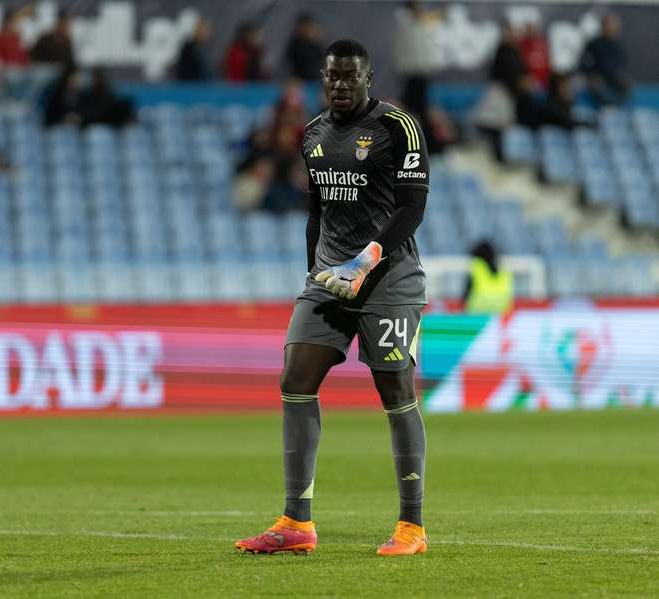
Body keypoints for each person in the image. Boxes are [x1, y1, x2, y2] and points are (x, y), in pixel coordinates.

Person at [235, 39, 430, 557]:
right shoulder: (314, 133)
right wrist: (315, 273)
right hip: (329, 280)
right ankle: (296, 521)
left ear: (369, 78)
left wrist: (365, 260)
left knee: (395, 391)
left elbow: (412, 208)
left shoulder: (398, 127)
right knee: (295, 378)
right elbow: (317, 211)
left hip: (387, 280)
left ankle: (412, 525)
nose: (340, 85)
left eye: (350, 76)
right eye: (332, 77)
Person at [393, 2, 440, 146]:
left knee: (417, 109)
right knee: (415, 109)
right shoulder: (405, 24)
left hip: (421, 73)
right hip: (412, 73)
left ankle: (425, 143)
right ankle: (427, 145)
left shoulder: (420, 25)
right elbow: (406, 51)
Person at [580, 13, 630, 107]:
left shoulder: (619, 46)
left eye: (614, 26)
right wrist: (591, 76)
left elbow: (622, 65)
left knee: (627, 85)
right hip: (598, 80)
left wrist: (620, 77)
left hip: (614, 79)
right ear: (603, 26)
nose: (612, 28)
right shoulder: (594, 44)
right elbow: (584, 63)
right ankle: (609, 108)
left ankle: (617, 108)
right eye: (609, 25)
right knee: (599, 88)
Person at [462, 241, 513, 314]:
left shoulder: (477, 267)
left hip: (478, 315)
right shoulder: (504, 271)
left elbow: (466, 296)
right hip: (500, 316)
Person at [284, 13, 325, 82]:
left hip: (314, 78)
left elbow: (322, 59)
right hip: (298, 79)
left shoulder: (316, 43)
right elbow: (288, 58)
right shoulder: (295, 42)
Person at [174, 16, 212, 81]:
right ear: (195, 30)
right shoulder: (188, 49)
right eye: (202, 29)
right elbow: (185, 73)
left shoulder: (202, 48)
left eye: (207, 30)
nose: (206, 33)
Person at [518, 22, 550, 91]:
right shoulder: (522, 44)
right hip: (527, 82)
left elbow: (547, 63)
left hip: (543, 82)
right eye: (529, 29)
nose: (532, 31)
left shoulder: (543, 43)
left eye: (533, 28)